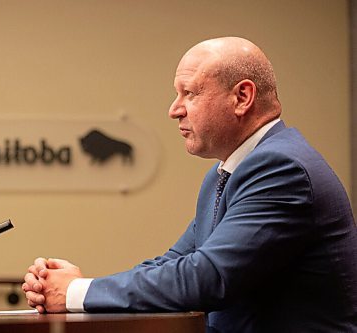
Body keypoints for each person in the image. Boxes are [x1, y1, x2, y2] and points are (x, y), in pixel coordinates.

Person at [22, 37, 357, 332]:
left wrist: (76, 293)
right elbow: (175, 262)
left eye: (189, 93)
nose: (174, 110)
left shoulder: (282, 169)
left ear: (242, 96)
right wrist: (79, 287)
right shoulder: (227, 172)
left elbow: (207, 277)